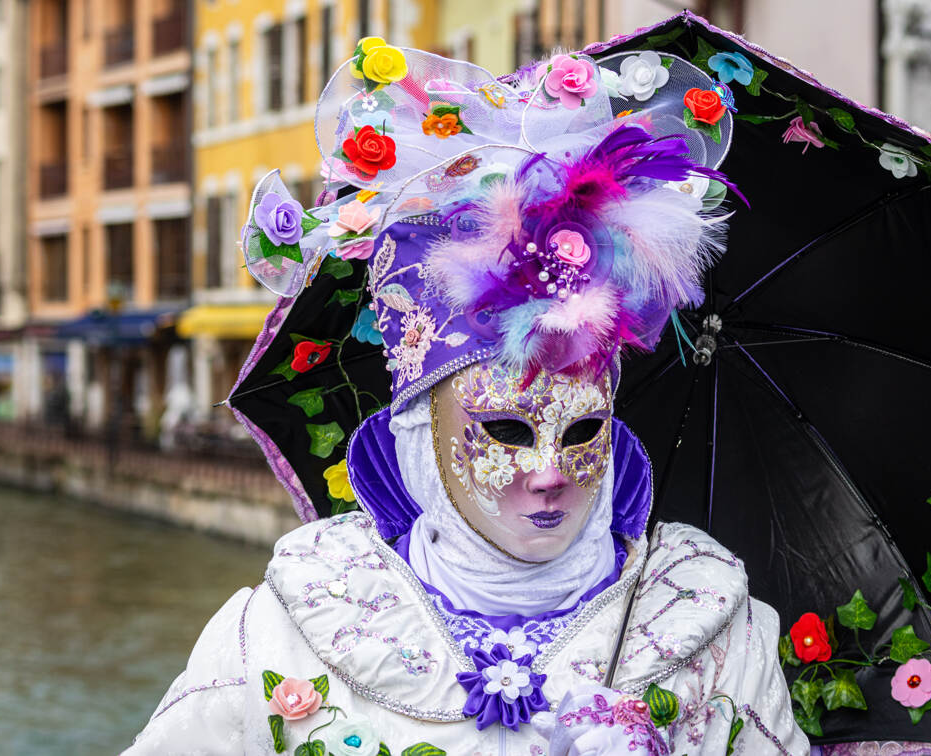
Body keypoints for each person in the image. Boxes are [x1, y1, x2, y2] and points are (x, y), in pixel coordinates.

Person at [126, 38, 806, 755]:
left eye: (582, 432)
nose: (549, 473)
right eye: (505, 429)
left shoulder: (710, 631)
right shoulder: (280, 635)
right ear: (419, 429)